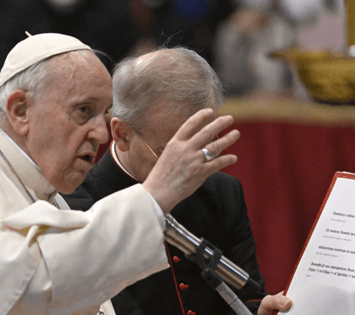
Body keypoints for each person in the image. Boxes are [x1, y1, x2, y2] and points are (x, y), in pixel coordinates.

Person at [0, 33, 242, 315]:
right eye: (84, 110)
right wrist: (153, 196)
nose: (101, 133)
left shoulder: (52, 197)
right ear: (20, 111)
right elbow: (20, 293)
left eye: (104, 113)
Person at [63, 47, 292, 315]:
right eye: (169, 152)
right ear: (121, 134)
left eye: (201, 145)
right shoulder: (76, 205)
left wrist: (259, 309)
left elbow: (247, 296)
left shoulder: (222, 191)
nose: (189, 166)